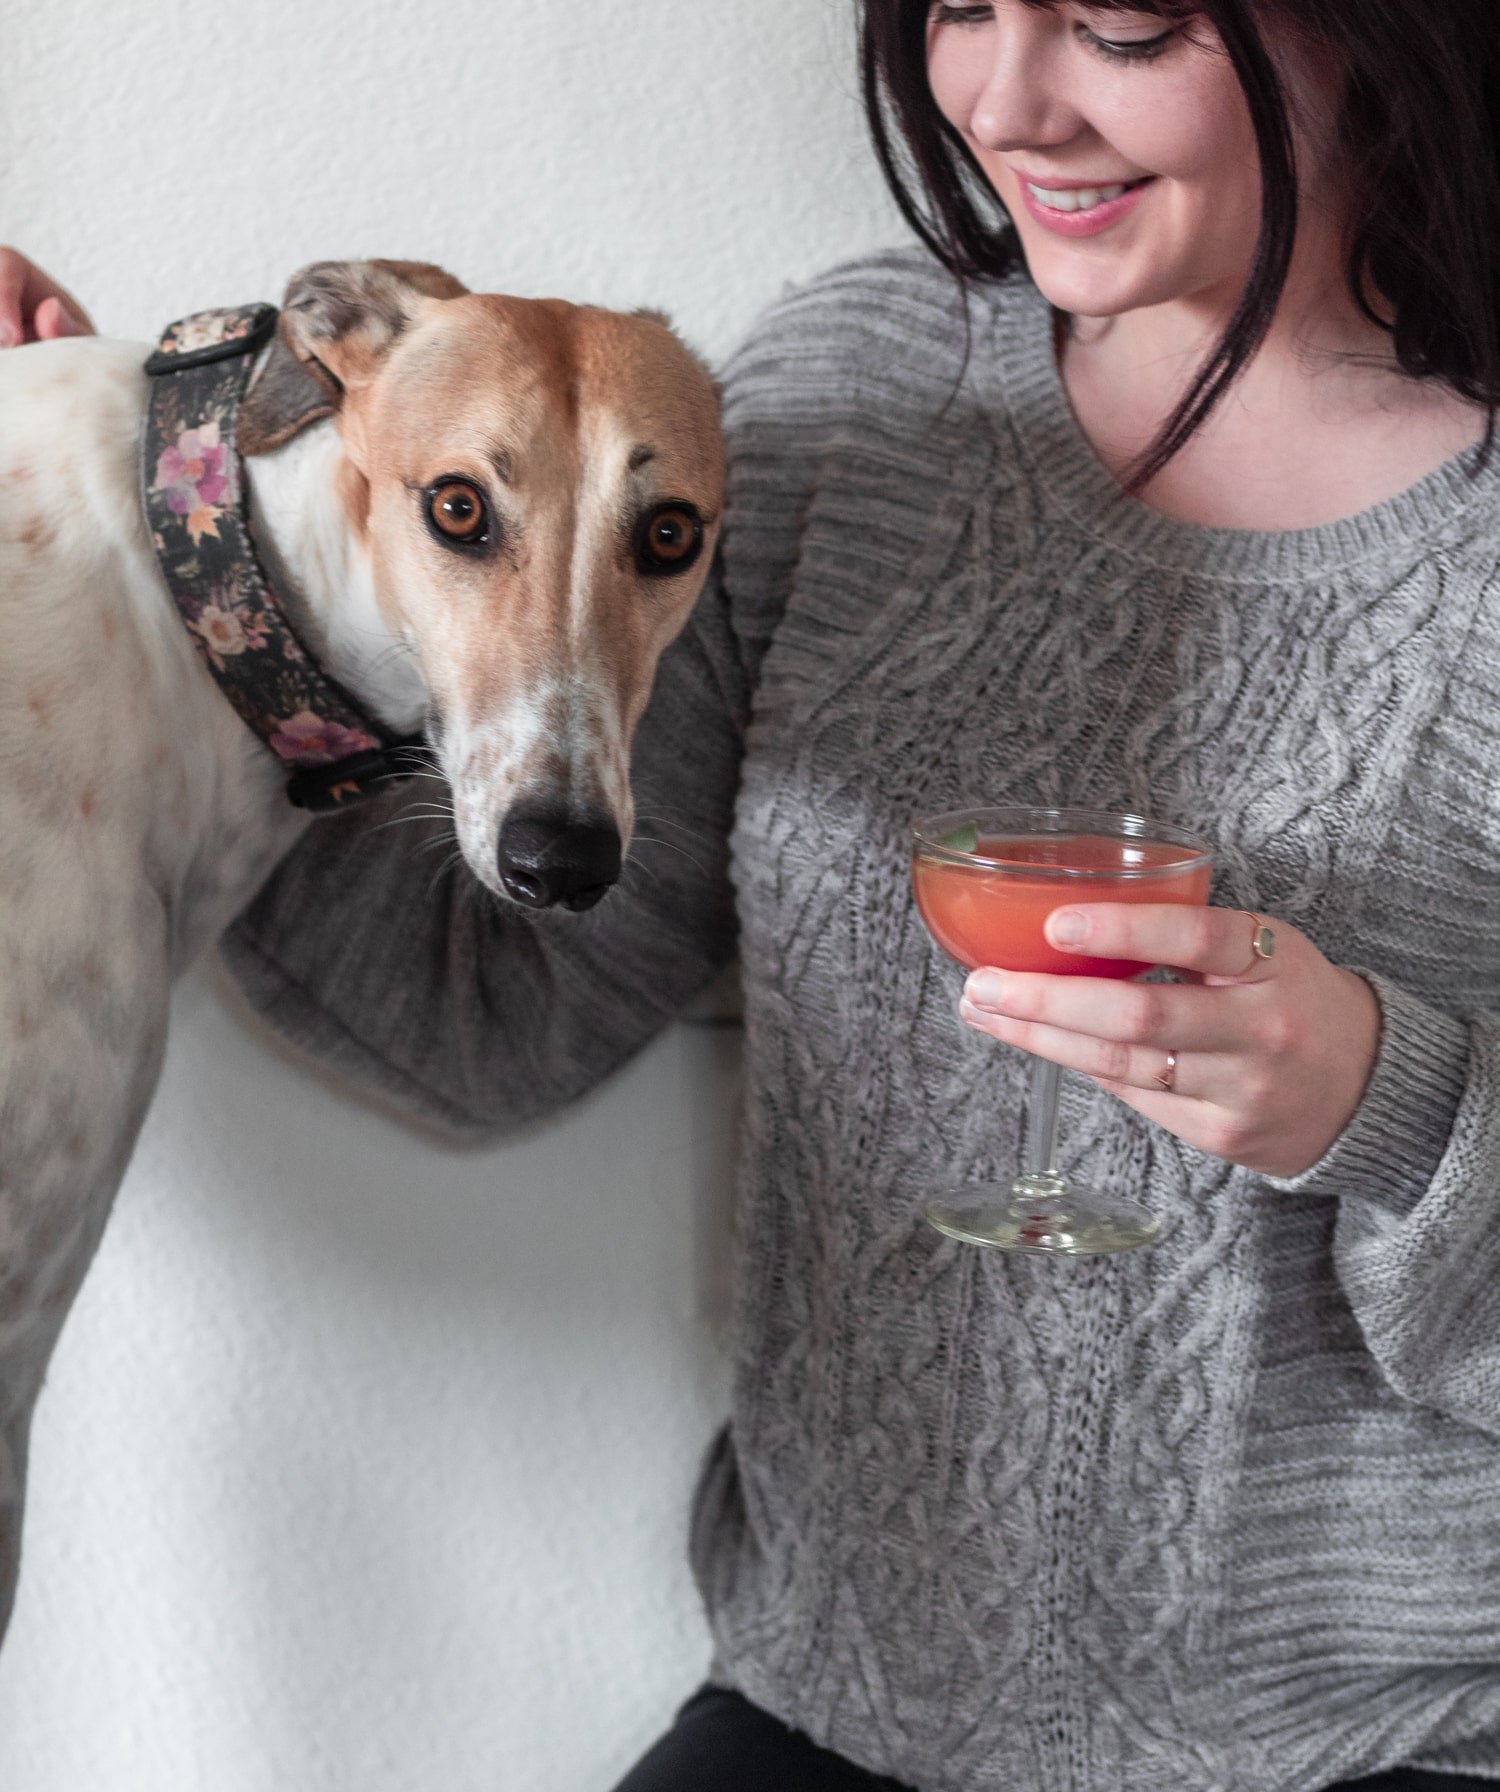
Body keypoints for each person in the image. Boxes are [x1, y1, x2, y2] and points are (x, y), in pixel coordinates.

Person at [7, 1, 1500, 1786]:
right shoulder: (843, 401)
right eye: (963, 8)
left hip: (1385, 1735)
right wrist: (164, 554)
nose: (1006, 104)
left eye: (1120, 22)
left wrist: (1391, 1107)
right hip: (841, 1708)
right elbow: (490, 1009)